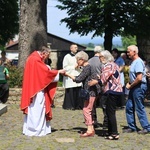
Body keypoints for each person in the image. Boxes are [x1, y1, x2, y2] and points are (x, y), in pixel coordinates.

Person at [20, 46, 65, 136]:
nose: (46, 58)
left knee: (34, 109)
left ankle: (33, 129)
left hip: (33, 88)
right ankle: (36, 130)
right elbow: (45, 74)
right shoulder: (36, 60)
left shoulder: (32, 58)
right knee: (37, 109)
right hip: (36, 90)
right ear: (44, 53)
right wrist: (58, 72)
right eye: (47, 56)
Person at [88, 50, 123, 140]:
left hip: (112, 90)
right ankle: (110, 132)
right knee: (109, 112)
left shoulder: (108, 65)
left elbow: (104, 79)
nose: (99, 59)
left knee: (110, 112)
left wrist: (94, 82)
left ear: (104, 57)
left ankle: (114, 133)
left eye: (100, 57)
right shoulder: (113, 64)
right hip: (115, 90)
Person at [65, 51, 100, 137]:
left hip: (90, 91)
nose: (77, 62)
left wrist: (67, 74)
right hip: (91, 91)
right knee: (88, 109)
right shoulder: (87, 67)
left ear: (82, 60)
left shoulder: (87, 67)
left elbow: (79, 79)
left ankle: (89, 129)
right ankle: (91, 128)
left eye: (77, 60)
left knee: (86, 110)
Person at [123, 45, 150, 134]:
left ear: (134, 52)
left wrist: (130, 86)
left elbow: (139, 78)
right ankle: (132, 126)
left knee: (139, 107)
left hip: (138, 86)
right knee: (129, 106)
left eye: (129, 51)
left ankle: (146, 127)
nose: (127, 53)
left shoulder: (138, 62)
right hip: (134, 86)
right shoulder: (134, 62)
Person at [62, 44, 82, 110]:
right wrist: (73, 67)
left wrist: (80, 67)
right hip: (70, 77)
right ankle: (69, 106)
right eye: (75, 47)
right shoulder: (67, 57)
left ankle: (77, 105)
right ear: (71, 49)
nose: (76, 49)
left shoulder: (78, 56)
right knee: (70, 92)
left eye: (77, 47)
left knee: (77, 91)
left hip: (77, 75)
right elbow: (65, 68)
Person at [88, 46, 103, 128]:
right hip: (100, 83)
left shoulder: (89, 61)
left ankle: (94, 120)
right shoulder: (102, 61)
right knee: (104, 104)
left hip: (92, 84)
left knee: (92, 103)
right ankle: (106, 121)